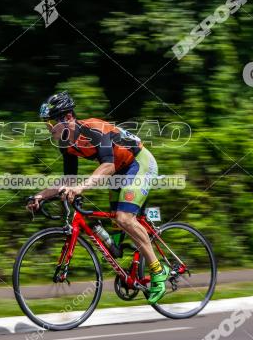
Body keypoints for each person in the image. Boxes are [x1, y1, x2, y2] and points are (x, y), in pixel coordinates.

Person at [26, 91, 167, 304]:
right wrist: (40, 196)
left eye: (52, 122)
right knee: (116, 225)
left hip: (139, 163)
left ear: (68, 118)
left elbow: (108, 165)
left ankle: (158, 271)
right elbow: (68, 180)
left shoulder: (93, 130)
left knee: (124, 218)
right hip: (121, 170)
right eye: (47, 123)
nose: (49, 128)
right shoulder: (66, 144)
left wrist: (82, 187)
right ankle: (126, 260)